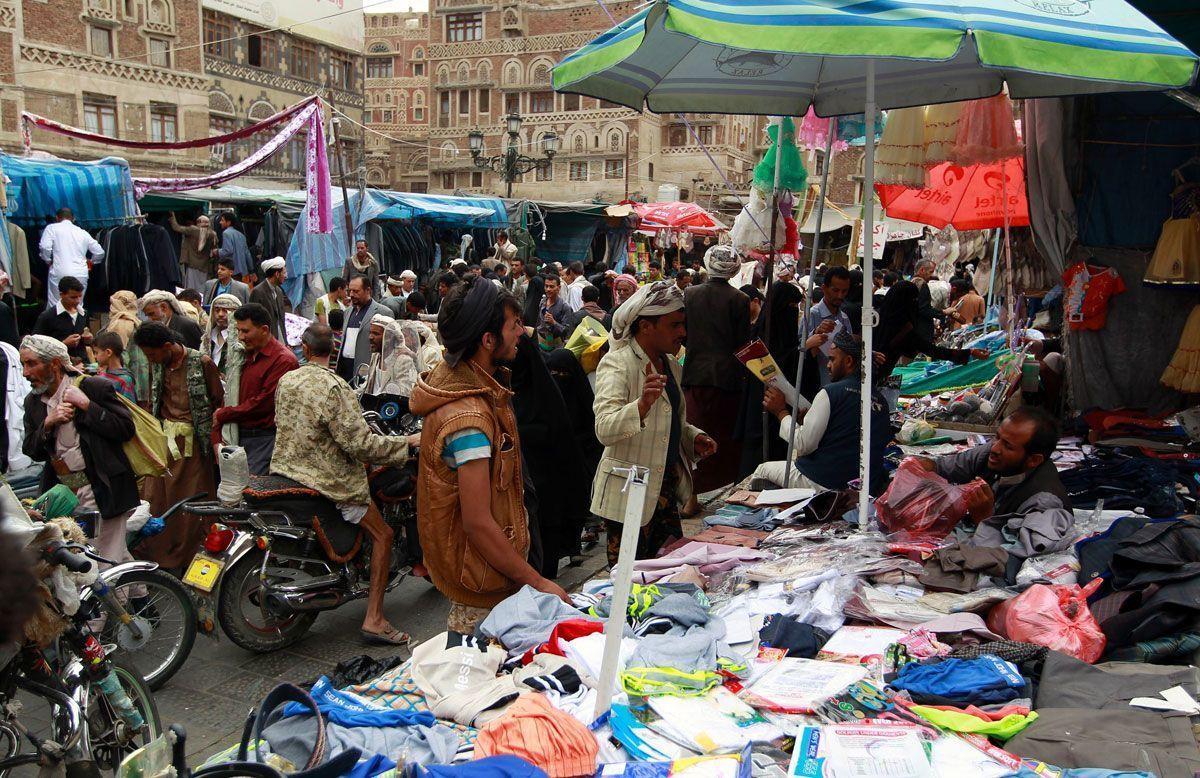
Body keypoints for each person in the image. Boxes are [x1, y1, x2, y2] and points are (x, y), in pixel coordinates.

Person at [410, 276, 567, 633]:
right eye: (513, 326)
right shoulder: (470, 419)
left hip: (491, 579)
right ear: (487, 340)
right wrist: (538, 582)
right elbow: (478, 522)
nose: (521, 334)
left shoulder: (469, 387)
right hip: (484, 598)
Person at [273, 323, 415, 643]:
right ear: (333, 351)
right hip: (330, 480)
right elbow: (362, 446)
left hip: (286, 470)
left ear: (305, 350)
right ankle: (375, 618)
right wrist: (408, 443)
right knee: (384, 535)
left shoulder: (287, 380)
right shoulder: (336, 387)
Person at [592, 281, 717, 566]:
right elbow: (604, 428)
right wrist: (641, 405)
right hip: (628, 496)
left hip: (663, 492)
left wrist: (692, 437)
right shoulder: (618, 363)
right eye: (674, 325)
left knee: (666, 573)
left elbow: (673, 420)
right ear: (646, 326)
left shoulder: (671, 364)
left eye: (682, 325)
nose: (682, 333)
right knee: (628, 583)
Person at [20, 334, 137, 566]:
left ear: (54, 364)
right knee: (111, 554)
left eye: (31, 363)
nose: (25, 372)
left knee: (100, 560)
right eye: (24, 364)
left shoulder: (93, 387)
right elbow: (31, 450)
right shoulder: (33, 402)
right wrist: (48, 423)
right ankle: (144, 598)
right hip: (66, 492)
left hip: (103, 487)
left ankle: (109, 601)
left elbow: (125, 428)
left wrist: (86, 405)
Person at [913, 407, 1074, 558]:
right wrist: (913, 467)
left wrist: (984, 518)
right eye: (997, 437)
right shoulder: (992, 453)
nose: (995, 448)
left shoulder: (1044, 501)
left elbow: (1014, 557)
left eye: (1008, 446)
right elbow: (942, 467)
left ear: (1033, 460)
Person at [132, 323, 223, 569]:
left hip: (192, 448)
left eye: (152, 355)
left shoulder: (201, 362)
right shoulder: (160, 365)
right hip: (164, 443)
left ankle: (190, 557)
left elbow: (217, 401)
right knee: (156, 499)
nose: (151, 360)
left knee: (189, 503)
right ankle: (159, 557)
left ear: (166, 347)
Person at [755, 331, 891, 492]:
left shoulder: (830, 392)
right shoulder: (881, 400)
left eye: (832, 359)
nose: (828, 365)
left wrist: (781, 412)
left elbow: (803, 444)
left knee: (762, 471)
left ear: (848, 361)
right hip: (865, 485)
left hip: (825, 481)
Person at [509, 335, 591, 579]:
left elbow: (566, 436)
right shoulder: (503, 395)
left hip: (549, 491)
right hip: (520, 501)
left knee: (546, 565)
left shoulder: (546, 394)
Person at [682, 245, 751, 494]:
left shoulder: (689, 294)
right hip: (728, 378)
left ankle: (691, 492)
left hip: (695, 374)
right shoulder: (740, 299)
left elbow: (683, 334)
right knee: (721, 438)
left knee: (694, 434)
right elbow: (743, 343)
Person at [212, 304, 298, 475]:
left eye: (246, 331)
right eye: (238, 331)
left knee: (251, 490)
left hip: (263, 439)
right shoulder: (244, 354)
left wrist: (224, 414)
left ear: (264, 329)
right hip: (238, 434)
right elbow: (230, 393)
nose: (241, 337)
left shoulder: (283, 361)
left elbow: (263, 403)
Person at [875, 280, 988, 380]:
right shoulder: (904, 329)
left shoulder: (874, 318)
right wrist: (970, 352)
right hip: (874, 378)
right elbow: (934, 351)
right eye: (915, 300)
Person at [39, 208, 104, 308]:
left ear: (57, 218)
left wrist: (47, 260)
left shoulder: (52, 228)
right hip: (80, 273)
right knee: (77, 304)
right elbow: (99, 252)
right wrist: (91, 262)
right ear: (73, 219)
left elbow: (45, 247)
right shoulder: (83, 233)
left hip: (60, 271)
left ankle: (57, 323)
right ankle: (76, 323)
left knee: (56, 305)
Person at [802, 265, 853, 387]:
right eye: (835, 290)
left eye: (844, 291)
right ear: (824, 288)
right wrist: (816, 334)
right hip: (816, 386)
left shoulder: (844, 318)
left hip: (839, 387)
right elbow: (799, 353)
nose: (840, 296)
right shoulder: (812, 315)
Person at [336, 275, 393, 383]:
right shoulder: (347, 312)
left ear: (368, 290)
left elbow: (388, 345)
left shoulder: (383, 312)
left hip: (366, 370)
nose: (351, 295)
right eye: (350, 291)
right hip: (344, 369)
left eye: (356, 291)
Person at [32, 276, 92, 364]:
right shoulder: (47, 316)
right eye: (73, 297)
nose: (77, 301)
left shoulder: (83, 314)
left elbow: (87, 340)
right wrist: (63, 344)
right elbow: (36, 346)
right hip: (59, 366)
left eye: (79, 297)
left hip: (82, 364)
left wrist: (88, 339)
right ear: (61, 295)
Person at [359, 315, 418, 397]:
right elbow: (367, 386)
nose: (370, 337)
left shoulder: (403, 360)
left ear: (389, 337)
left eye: (376, 334)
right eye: (370, 333)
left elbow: (404, 394)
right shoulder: (375, 356)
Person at [169, 212, 218, 292]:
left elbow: (176, 228)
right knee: (202, 287)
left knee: (191, 287)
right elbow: (214, 251)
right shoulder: (212, 235)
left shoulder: (193, 230)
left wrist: (172, 216)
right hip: (204, 266)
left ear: (198, 222)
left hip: (192, 264)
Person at [139, 290, 203, 350]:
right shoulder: (158, 326)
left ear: (163, 307)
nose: (150, 319)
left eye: (151, 314)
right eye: (148, 316)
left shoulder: (187, 325)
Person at [250, 257, 289, 342]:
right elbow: (253, 320)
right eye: (284, 272)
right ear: (277, 274)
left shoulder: (278, 291)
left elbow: (281, 320)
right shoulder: (258, 292)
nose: (285, 276)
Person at [92, 331, 137, 403]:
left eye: (96, 352)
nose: (94, 356)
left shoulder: (125, 380)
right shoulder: (100, 375)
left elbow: (129, 409)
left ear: (108, 352)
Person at [205, 293, 242, 374]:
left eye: (225, 310)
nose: (220, 314)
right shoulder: (207, 338)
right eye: (217, 310)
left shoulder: (241, 339)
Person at [536, 274, 571, 351]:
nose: (548, 289)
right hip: (541, 343)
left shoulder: (565, 307)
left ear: (558, 288)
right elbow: (539, 322)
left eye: (551, 286)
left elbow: (567, 331)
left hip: (556, 346)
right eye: (546, 286)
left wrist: (554, 322)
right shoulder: (542, 302)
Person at [215, 211, 253, 280]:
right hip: (243, 272)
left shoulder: (226, 233)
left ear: (228, 222)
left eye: (222, 220)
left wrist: (217, 251)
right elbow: (247, 254)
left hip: (233, 271)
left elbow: (228, 251)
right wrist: (251, 270)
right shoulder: (241, 235)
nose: (220, 222)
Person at [913, 259, 941, 343]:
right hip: (921, 330)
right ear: (922, 270)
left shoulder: (912, 282)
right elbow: (924, 309)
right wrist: (943, 312)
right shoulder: (922, 284)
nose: (932, 275)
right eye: (930, 272)